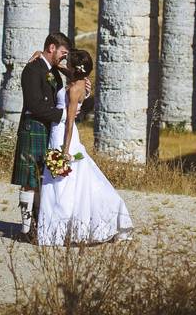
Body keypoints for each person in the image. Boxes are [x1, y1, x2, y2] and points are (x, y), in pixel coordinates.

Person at [37, 49, 134, 245]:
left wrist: (64, 151)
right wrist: (42, 57)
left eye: (68, 61)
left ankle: (55, 233)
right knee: (79, 181)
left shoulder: (74, 89)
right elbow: (64, 70)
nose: (66, 63)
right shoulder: (79, 81)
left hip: (63, 133)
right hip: (61, 131)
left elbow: (70, 121)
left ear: (75, 67)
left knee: (60, 183)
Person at [10, 32, 70, 238]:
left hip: (48, 129)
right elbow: (35, 105)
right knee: (30, 181)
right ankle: (26, 230)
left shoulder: (53, 71)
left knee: (42, 180)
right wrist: (63, 116)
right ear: (52, 48)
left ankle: (39, 226)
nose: (64, 57)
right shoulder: (32, 69)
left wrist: (63, 68)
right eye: (63, 53)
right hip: (34, 127)